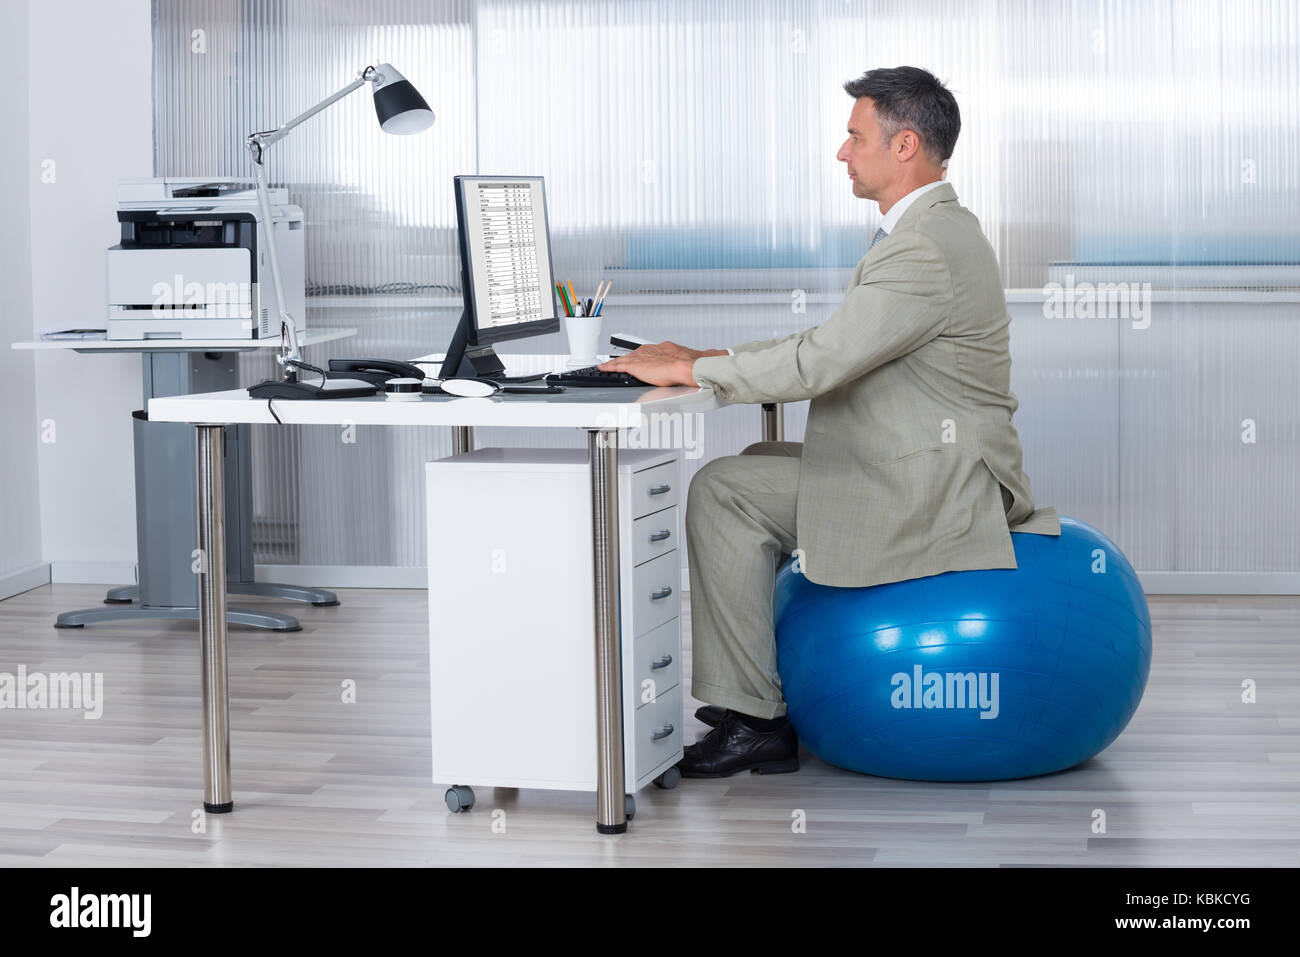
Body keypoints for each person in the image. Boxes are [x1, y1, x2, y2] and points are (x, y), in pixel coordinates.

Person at [598, 65, 1060, 778]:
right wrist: (705, 356)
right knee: (760, 454)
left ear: (904, 145)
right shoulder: (933, 230)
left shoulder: (923, 248)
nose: (842, 153)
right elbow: (838, 343)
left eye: (854, 136)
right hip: (931, 465)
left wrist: (694, 371)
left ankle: (756, 718)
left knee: (725, 489)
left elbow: (820, 362)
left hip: (941, 492)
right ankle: (757, 684)